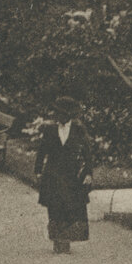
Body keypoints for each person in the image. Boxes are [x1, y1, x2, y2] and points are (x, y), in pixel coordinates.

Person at [33, 96, 93, 254]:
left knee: (70, 207)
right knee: (54, 207)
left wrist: (88, 173)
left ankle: (65, 240)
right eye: (56, 113)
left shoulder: (79, 129)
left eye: (60, 113)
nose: (56, 116)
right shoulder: (50, 129)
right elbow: (42, 151)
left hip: (71, 174)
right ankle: (57, 240)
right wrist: (38, 170)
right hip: (53, 173)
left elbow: (88, 152)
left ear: (68, 115)